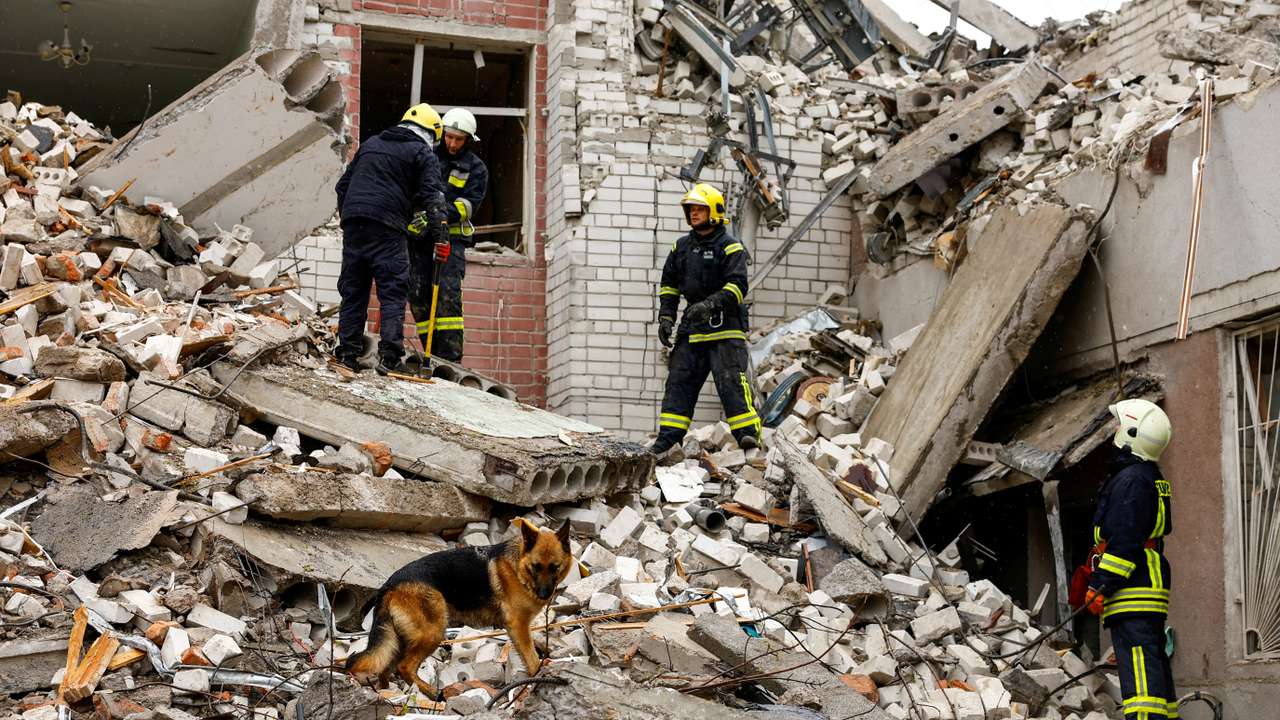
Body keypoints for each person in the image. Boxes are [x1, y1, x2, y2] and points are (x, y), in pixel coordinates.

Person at [334, 103, 448, 373]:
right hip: (388, 228)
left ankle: (347, 355)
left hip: (354, 223)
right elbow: (434, 197)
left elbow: (342, 186)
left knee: (354, 290)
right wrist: (441, 236)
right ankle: (390, 358)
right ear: (431, 134)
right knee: (392, 291)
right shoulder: (422, 152)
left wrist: (351, 216)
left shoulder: (371, 144)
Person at [650, 183, 761, 456]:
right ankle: (668, 439)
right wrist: (666, 317)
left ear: (714, 211)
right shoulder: (681, 247)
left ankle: (747, 435)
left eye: (699, 208)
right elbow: (669, 286)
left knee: (731, 382)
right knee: (679, 382)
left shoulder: (731, 247)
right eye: (691, 209)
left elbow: (737, 286)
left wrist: (710, 304)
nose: (694, 214)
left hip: (726, 328)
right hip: (693, 330)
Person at [1084, 399, 1177, 720]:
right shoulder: (1145, 476)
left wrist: (1101, 584)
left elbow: (1124, 540)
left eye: (1121, 425)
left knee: (1140, 672)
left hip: (1133, 590)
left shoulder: (1131, 480)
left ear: (1133, 433)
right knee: (1152, 664)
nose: (1116, 432)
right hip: (1145, 588)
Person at [408, 107, 489, 363]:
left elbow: (467, 206)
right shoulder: (426, 156)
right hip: (419, 241)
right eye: (449, 137)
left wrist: (435, 216)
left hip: (451, 242)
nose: (452, 143)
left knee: (447, 298)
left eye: (459, 139)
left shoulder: (476, 169)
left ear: (468, 140)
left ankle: (451, 360)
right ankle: (430, 354)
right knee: (418, 296)